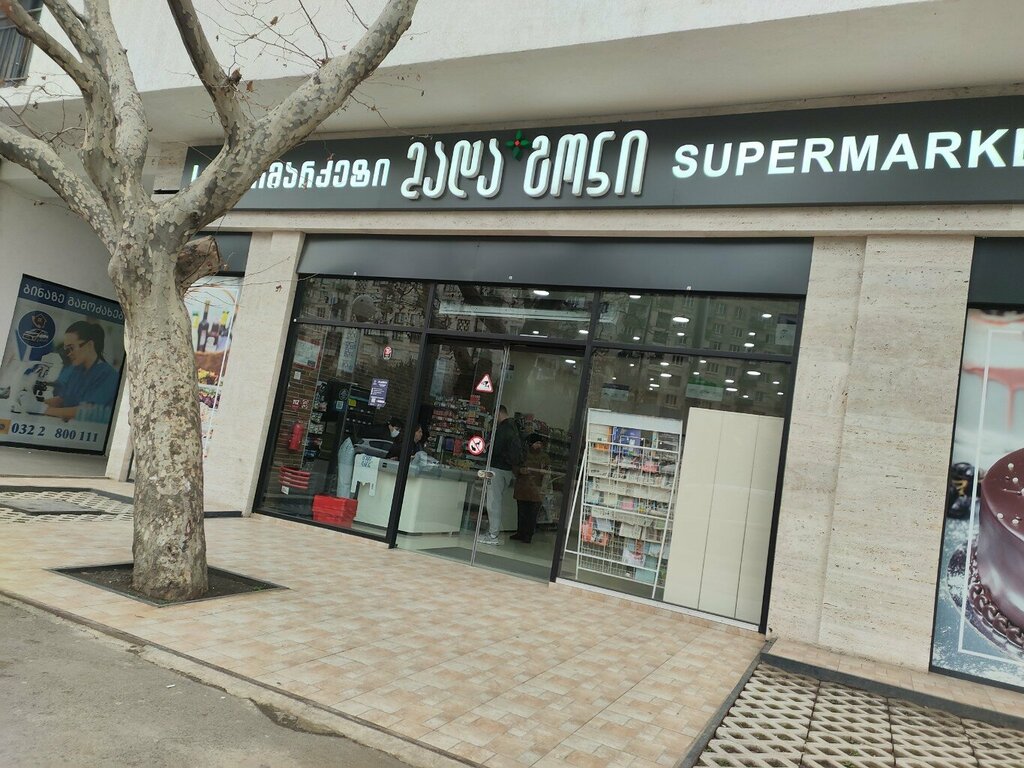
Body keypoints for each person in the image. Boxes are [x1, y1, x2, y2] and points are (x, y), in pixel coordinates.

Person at [19, 320, 118, 422]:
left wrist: (43, 409)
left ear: (89, 345)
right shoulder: (76, 371)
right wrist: (32, 404)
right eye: (66, 349)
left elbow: (86, 411)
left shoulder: (109, 376)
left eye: (71, 348)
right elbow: (63, 400)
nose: (68, 354)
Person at [478, 404, 523, 546]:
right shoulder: (515, 428)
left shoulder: (503, 429)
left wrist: (488, 447)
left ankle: (493, 534)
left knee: (493, 502)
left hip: (497, 469)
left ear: (498, 413)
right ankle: (493, 532)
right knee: (496, 500)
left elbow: (496, 450)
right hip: (508, 470)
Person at [512, 433, 550, 544]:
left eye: (540, 443)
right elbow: (515, 466)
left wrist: (544, 475)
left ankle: (528, 535)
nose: (538, 445)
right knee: (522, 513)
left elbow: (547, 473)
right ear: (530, 443)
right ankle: (520, 533)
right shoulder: (523, 455)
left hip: (536, 490)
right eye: (536, 443)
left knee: (532, 515)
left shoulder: (544, 457)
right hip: (523, 488)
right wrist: (519, 471)